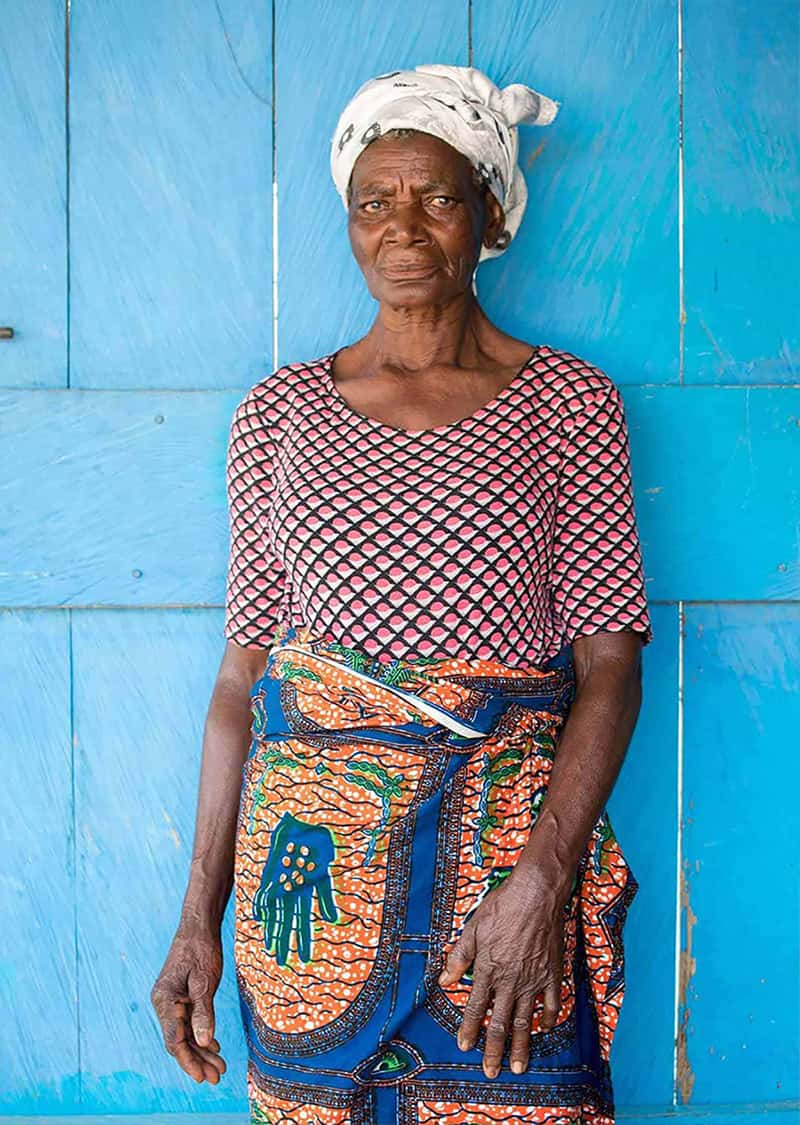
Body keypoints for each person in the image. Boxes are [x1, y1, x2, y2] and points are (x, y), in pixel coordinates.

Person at [151, 64, 653, 1125]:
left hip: (499, 869)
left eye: (437, 198)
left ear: (490, 218)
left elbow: (609, 666)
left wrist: (542, 880)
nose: (403, 227)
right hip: (310, 882)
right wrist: (198, 916)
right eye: (373, 201)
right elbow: (242, 680)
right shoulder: (279, 414)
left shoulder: (569, 402)